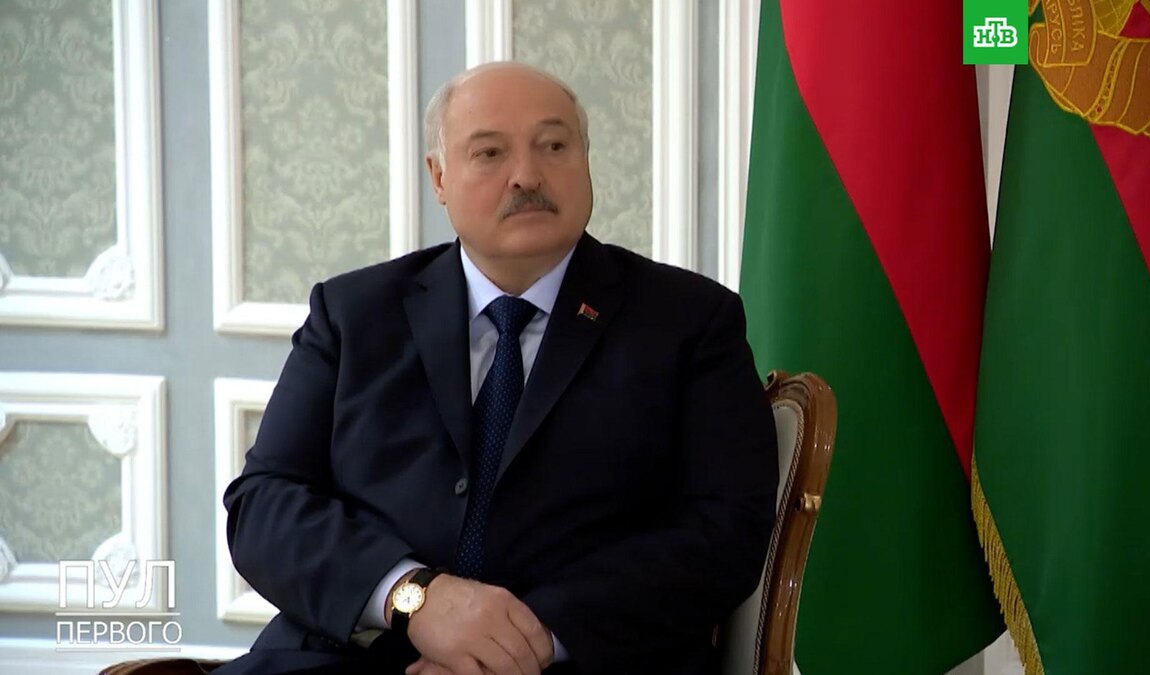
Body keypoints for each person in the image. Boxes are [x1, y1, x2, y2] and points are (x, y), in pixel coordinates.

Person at [216, 62, 778, 675]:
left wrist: (519, 641)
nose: (527, 176)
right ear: (439, 177)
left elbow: (725, 529)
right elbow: (264, 504)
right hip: (352, 653)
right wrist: (414, 598)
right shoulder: (354, 314)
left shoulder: (689, 322)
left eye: (554, 146)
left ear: (586, 160)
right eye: (489, 153)